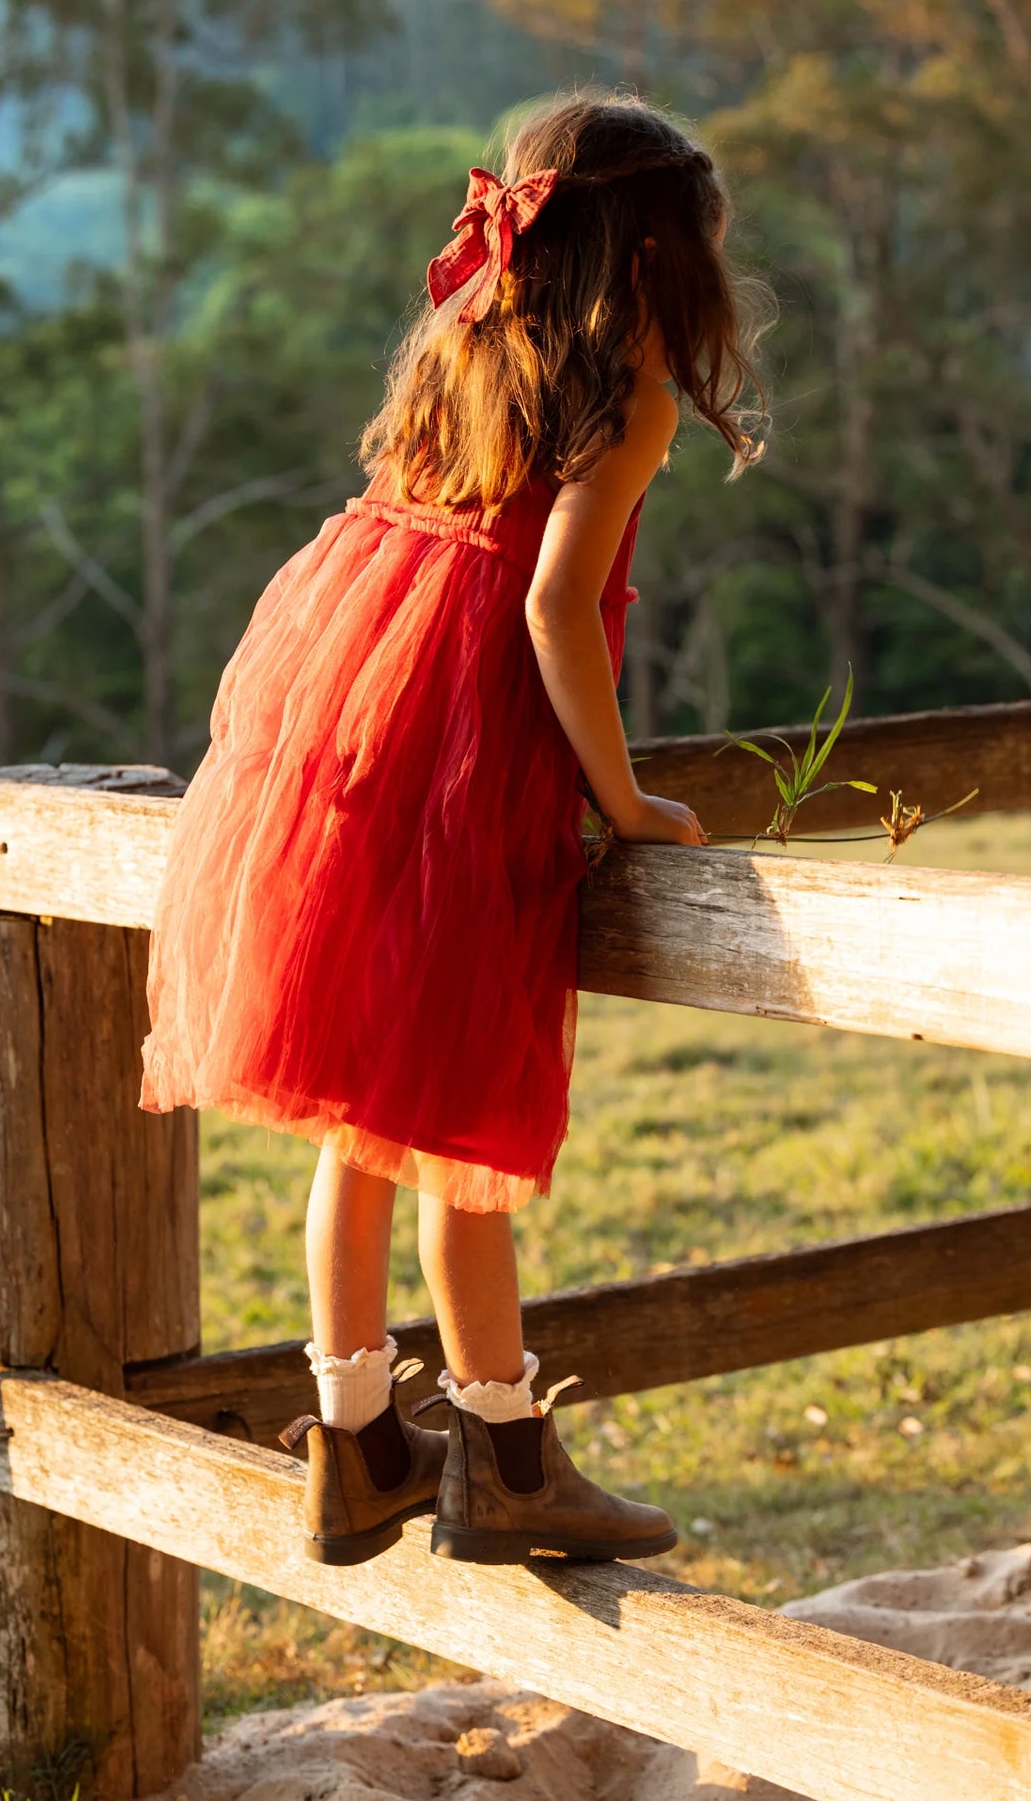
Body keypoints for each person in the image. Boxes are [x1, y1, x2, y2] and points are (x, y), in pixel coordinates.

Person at [139, 89, 766, 1567]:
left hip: (356, 716)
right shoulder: (632, 391)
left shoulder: (465, 345)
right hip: (467, 753)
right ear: (657, 257)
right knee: (458, 1125)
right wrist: (624, 799)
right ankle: (501, 1451)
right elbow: (553, 607)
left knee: (365, 1122)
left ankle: (358, 1443)